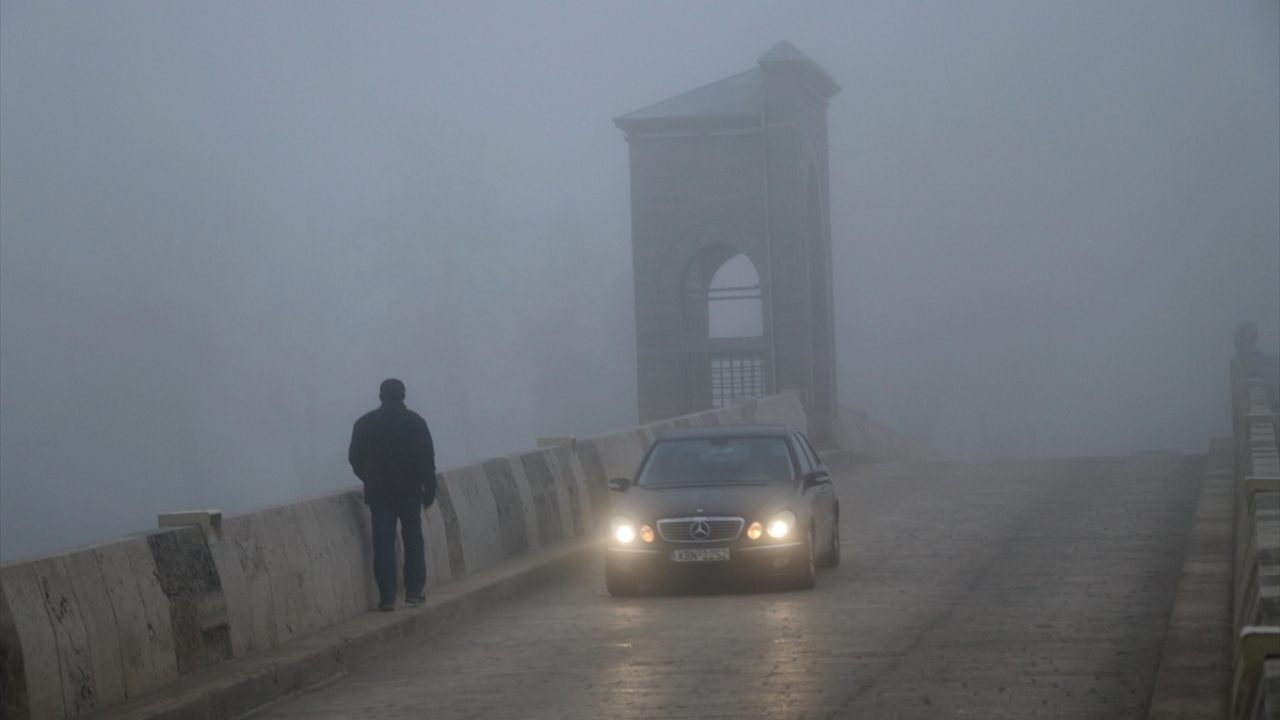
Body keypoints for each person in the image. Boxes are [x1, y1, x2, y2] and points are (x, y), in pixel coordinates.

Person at [349, 378, 437, 611]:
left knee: (383, 543)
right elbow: (426, 459)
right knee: (413, 539)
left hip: (379, 494)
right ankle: (414, 592)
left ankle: (387, 597)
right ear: (403, 396)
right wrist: (429, 487)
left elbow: (355, 460)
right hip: (409, 491)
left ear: (380, 396)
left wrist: (370, 478)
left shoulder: (364, 424)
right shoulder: (415, 422)